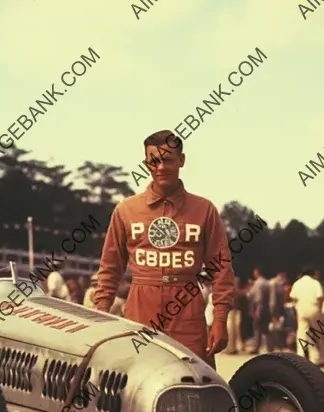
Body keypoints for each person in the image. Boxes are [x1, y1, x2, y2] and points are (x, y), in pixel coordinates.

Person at [93, 129, 235, 368]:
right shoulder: (127, 209)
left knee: (196, 379)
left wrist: (220, 319)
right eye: (153, 161)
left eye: (168, 159)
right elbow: (110, 268)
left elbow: (221, 268)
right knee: (137, 379)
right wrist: (101, 314)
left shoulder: (204, 210)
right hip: (140, 307)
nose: (160, 167)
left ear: (182, 160)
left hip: (187, 309)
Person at [289, 265, 324, 365]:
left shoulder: (297, 283)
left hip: (301, 309)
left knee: (301, 333)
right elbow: (319, 297)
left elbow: (293, 297)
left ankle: (300, 357)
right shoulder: (315, 283)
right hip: (313, 309)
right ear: (313, 274)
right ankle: (316, 358)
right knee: (315, 334)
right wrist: (320, 310)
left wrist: (296, 307)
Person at [247, 268, 271, 354]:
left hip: (259, 308)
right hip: (267, 308)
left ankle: (257, 347)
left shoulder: (258, 283)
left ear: (257, 272)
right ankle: (268, 347)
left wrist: (257, 310)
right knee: (265, 328)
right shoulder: (267, 282)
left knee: (257, 328)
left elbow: (258, 298)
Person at [269, 271, 287, 350]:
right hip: (274, 309)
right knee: (274, 328)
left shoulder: (276, 283)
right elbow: (273, 299)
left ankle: (274, 346)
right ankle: (273, 346)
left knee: (275, 328)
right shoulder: (275, 283)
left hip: (275, 308)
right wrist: (273, 312)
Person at [225, 277, 245, 354]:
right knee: (235, 330)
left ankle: (231, 348)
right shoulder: (237, 291)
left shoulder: (230, 291)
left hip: (231, 311)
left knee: (231, 330)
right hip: (235, 311)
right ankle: (234, 347)